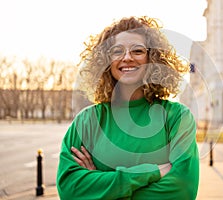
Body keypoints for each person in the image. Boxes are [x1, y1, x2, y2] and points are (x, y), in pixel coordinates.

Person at [56, 16, 199, 200]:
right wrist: (149, 173)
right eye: (117, 51)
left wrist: (100, 188)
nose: (127, 58)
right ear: (106, 61)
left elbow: (183, 190)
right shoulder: (87, 120)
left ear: (152, 57)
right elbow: (70, 190)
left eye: (137, 51)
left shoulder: (177, 117)